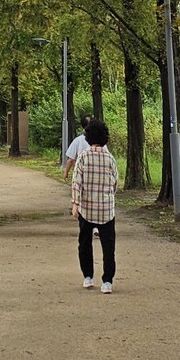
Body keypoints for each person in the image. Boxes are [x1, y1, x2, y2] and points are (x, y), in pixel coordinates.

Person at [71, 117, 119, 293]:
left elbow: (77, 182)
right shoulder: (110, 158)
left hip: (86, 208)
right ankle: (107, 281)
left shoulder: (83, 156)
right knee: (108, 246)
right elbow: (115, 183)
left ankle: (88, 277)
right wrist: (109, 196)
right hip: (106, 210)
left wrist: (75, 203)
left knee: (85, 243)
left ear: (88, 137)